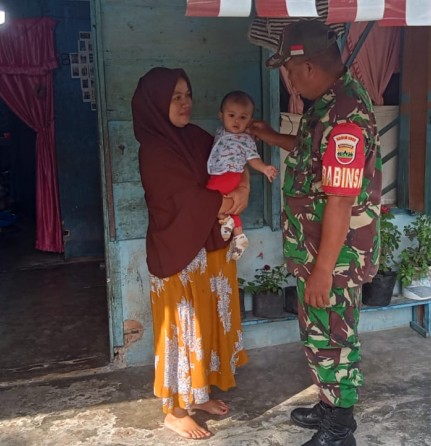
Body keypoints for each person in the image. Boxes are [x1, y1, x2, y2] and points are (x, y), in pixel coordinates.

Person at [249, 20, 381, 446]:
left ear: (306, 67)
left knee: (334, 341)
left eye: (288, 71)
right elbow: (310, 153)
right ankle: (328, 405)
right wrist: (270, 136)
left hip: (335, 259)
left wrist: (323, 271)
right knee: (320, 336)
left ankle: (340, 430)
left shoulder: (344, 117)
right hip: (318, 254)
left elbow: (341, 202)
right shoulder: (326, 104)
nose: (288, 79)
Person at [132, 67, 250, 440]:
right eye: (175, 96)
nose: (185, 103)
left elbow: (237, 158)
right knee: (181, 328)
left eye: (187, 95)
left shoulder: (199, 138)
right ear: (155, 102)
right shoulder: (154, 150)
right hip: (177, 253)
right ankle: (175, 409)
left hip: (209, 248)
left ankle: (197, 396)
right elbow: (182, 198)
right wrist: (225, 202)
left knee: (206, 323)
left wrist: (243, 187)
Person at [206, 91, 278, 261]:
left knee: (209, 198)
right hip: (224, 176)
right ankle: (239, 236)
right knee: (230, 203)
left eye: (243, 117)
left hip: (228, 175)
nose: (236, 121)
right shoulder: (221, 131)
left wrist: (264, 168)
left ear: (250, 121)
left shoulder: (244, 139)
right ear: (221, 115)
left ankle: (224, 219)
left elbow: (253, 158)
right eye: (231, 115)